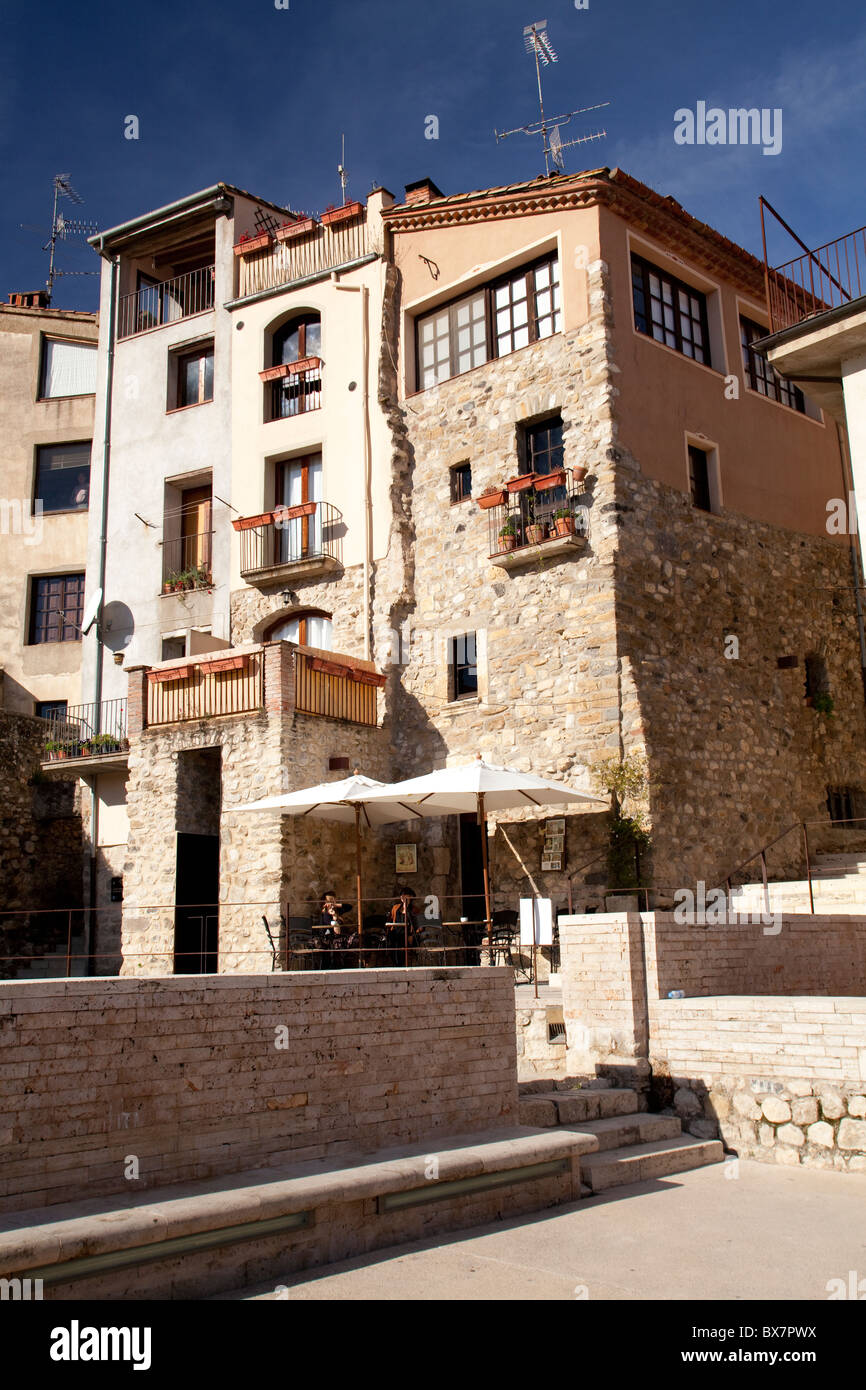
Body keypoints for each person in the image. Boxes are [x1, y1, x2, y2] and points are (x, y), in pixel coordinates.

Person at [386, 887, 420, 966]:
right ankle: (396, 963)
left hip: (408, 934)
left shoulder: (414, 910)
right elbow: (390, 920)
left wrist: (411, 935)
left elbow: (416, 925)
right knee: (391, 941)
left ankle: (401, 964)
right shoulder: (395, 907)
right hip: (396, 932)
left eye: (405, 895)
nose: (403, 897)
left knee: (402, 944)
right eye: (402, 895)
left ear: (410, 897)